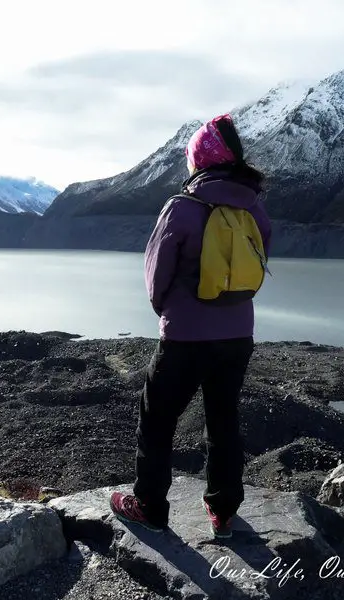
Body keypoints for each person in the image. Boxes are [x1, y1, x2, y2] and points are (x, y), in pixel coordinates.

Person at [109, 114, 272, 538]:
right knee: (224, 418)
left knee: (158, 419)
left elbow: (156, 275)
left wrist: (170, 311)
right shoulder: (254, 207)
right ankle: (224, 510)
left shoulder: (182, 207)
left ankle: (148, 506)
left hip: (185, 335)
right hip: (238, 335)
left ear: (197, 159)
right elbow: (260, 260)